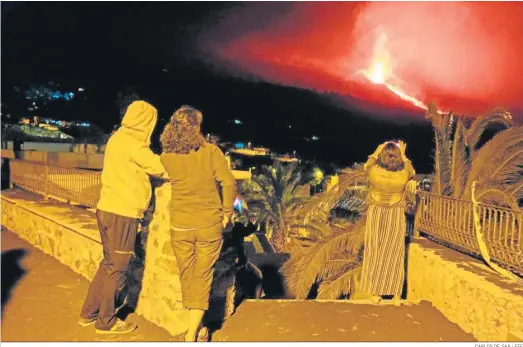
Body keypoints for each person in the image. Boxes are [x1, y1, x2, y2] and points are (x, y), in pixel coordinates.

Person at [78, 100, 168, 334]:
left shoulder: (118, 138)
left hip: (107, 209)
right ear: (145, 121)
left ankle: (88, 313)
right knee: (118, 268)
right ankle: (106, 323)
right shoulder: (134, 144)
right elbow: (161, 168)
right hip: (122, 214)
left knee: (107, 264)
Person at [159, 105, 236, 342]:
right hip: (208, 224)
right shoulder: (211, 152)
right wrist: (226, 212)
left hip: (180, 223)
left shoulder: (166, 156)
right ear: (196, 127)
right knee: (202, 275)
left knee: (187, 275)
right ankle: (192, 334)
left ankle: (197, 326)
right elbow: (228, 183)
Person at [358, 140, 415, 305]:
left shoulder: (373, 171)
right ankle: (396, 294)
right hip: (395, 213)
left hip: (377, 212)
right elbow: (412, 170)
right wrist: (403, 154)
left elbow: (366, 165)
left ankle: (376, 293)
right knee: (394, 252)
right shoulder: (403, 173)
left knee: (376, 250)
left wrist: (376, 151)